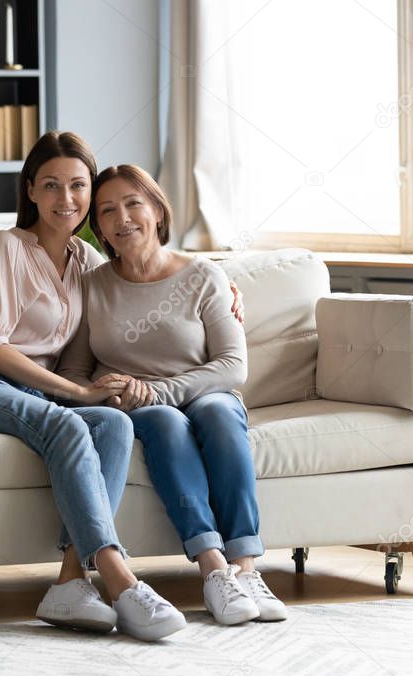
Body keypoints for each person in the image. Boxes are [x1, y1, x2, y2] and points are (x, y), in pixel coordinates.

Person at [0, 132, 186, 641]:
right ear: (30, 191)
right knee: (70, 423)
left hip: (36, 395)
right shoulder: (6, 246)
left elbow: (155, 272)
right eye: (51, 186)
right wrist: (75, 393)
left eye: (78, 186)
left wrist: (223, 284)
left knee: (113, 424)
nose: (65, 199)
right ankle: (119, 578)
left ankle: (70, 582)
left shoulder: (88, 263)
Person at [57, 164, 287, 626]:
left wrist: (159, 390)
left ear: (157, 210)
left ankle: (246, 568)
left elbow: (232, 365)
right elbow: (78, 370)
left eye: (132, 204)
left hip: (205, 391)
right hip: (141, 410)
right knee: (165, 421)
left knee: (220, 415)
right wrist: (101, 394)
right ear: (97, 226)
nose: (122, 218)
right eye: (106, 210)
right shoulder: (92, 286)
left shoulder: (204, 276)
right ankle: (213, 569)